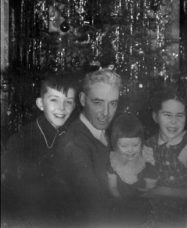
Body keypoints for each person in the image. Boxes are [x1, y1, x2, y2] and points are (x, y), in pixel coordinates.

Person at [1, 72, 77, 225]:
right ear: (41, 104)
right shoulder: (21, 142)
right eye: (54, 100)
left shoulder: (70, 136)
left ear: (74, 105)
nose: (61, 108)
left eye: (68, 101)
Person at [55, 68, 122, 226]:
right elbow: (97, 211)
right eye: (98, 102)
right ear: (83, 99)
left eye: (112, 104)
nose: (106, 113)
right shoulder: (76, 145)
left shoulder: (101, 133)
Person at [144, 86, 187, 227]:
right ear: (155, 117)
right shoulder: (148, 145)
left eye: (179, 115)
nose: (174, 121)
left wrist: (157, 190)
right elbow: (140, 188)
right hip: (154, 221)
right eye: (167, 115)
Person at [107, 112, 158, 226]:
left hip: (142, 213)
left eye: (135, 145)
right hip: (120, 211)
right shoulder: (113, 163)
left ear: (141, 143)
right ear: (116, 145)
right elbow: (113, 187)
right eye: (124, 146)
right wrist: (122, 202)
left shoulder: (146, 162)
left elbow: (151, 189)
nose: (130, 150)